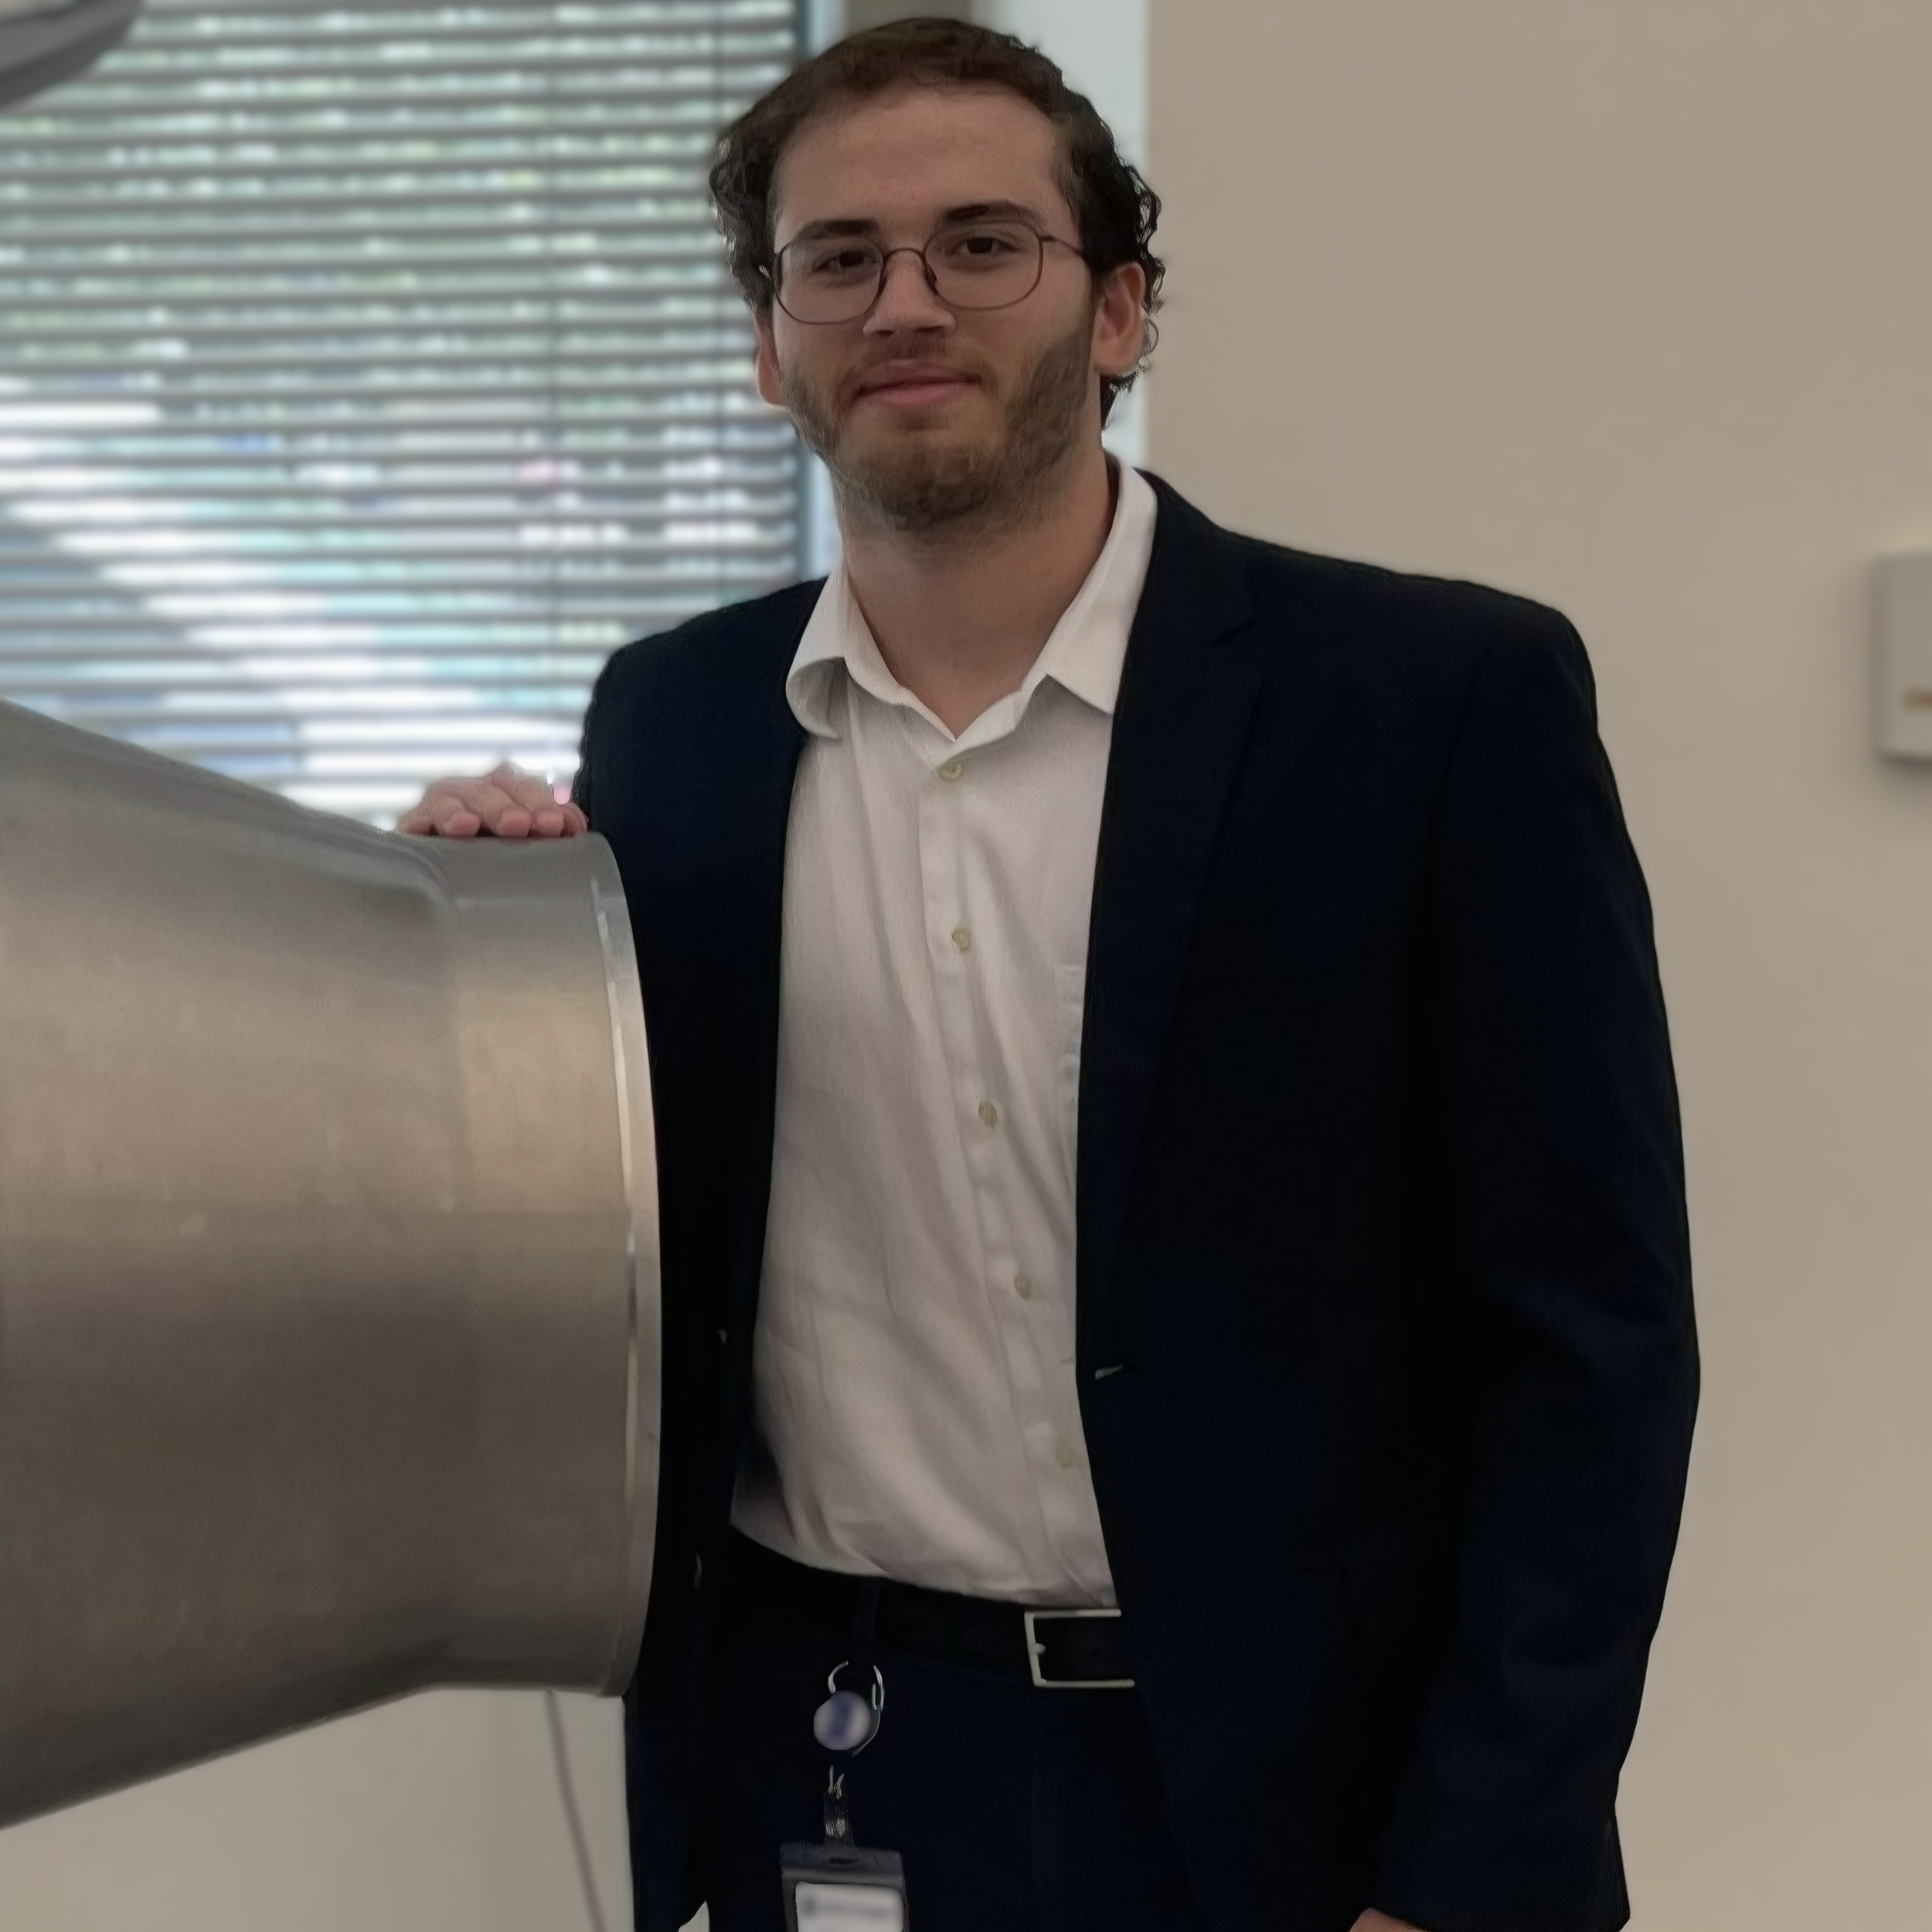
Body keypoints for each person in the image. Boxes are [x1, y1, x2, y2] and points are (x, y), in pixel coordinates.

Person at [403, 21, 1698, 1932]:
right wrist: (472, 938)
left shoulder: (1432, 705)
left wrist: (1470, 1863)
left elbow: (1588, 1346)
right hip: (828, 1754)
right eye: (835, 257)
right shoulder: (668, 726)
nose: (904, 301)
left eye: (981, 242)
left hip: (1308, 1802)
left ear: (1118, 308)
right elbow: (594, 1222)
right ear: (770, 344)